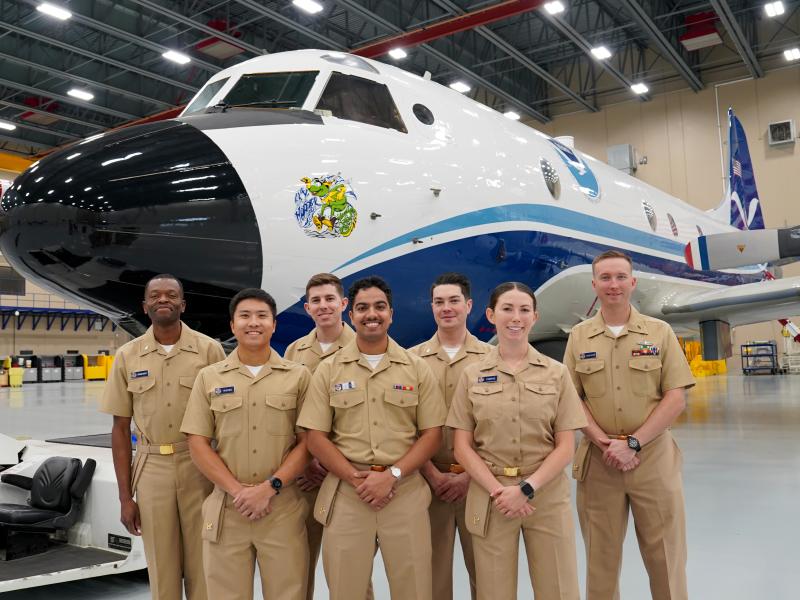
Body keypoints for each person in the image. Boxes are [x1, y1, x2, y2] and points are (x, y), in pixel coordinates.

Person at [297, 275, 446, 600]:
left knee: (414, 589)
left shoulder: (416, 368)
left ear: (391, 313)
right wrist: (355, 478)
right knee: (346, 589)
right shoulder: (330, 369)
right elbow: (315, 435)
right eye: (363, 308)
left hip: (403, 492)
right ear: (352, 315)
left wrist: (392, 475)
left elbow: (432, 435)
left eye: (379, 307)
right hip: (348, 493)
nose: (371, 314)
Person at [563, 249, 695, 600]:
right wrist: (604, 442)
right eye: (605, 278)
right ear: (594, 284)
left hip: (653, 460)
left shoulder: (660, 333)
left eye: (621, 277)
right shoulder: (578, 338)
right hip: (599, 463)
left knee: (665, 557)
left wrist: (633, 443)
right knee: (600, 561)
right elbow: (571, 399)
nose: (613, 284)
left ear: (633, 282)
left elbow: (675, 397)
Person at [448, 281, 586, 600]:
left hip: (546, 496)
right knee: (493, 590)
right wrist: (500, 491)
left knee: (558, 588)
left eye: (524, 310)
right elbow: (462, 446)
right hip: (492, 496)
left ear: (535, 317)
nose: (516, 317)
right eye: (507, 309)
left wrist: (525, 489)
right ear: (491, 314)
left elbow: (566, 446)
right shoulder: (472, 374)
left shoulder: (556, 373)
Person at [181, 288, 312, 600]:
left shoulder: (298, 376)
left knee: (288, 593)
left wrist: (269, 488)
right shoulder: (209, 377)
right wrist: (239, 492)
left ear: (274, 324)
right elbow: (197, 442)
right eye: (245, 316)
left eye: (262, 316)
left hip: (281, 508)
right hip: (228, 507)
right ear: (233, 324)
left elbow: (308, 443)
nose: (254, 323)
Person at [100, 274, 225, 600]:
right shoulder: (128, 356)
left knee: (204, 564)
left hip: (199, 466)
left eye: (171, 295)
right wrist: (126, 497)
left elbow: (226, 421)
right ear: (145, 306)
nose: (163, 300)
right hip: (151, 468)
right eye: (155, 296)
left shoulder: (209, 350)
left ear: (183, 304)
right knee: (161, 566)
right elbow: (119, 429)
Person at [408, 272, 490, 600]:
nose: (447, 308)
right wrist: (431, 473)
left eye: (454, 301)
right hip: (428, 484)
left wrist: (470, 476)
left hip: (480, 485)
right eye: (439, 302)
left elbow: (497, 429)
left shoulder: (491, 359)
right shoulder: (410, 360)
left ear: (469, 305)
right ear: (431, 308)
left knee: (488, 576)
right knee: (430, 579)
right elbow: (403, 425)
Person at [283, 273, 355, 600]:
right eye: (316, 301)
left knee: (352, 573)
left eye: (330, 299)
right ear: (307, 307)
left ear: (343, 304)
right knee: (298, 567)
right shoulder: (294, 353)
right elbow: (289, 414)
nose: (323, 306)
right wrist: (306, 463)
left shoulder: (362, 348)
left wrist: (333, 464)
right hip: (307, 477)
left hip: (347, 476)